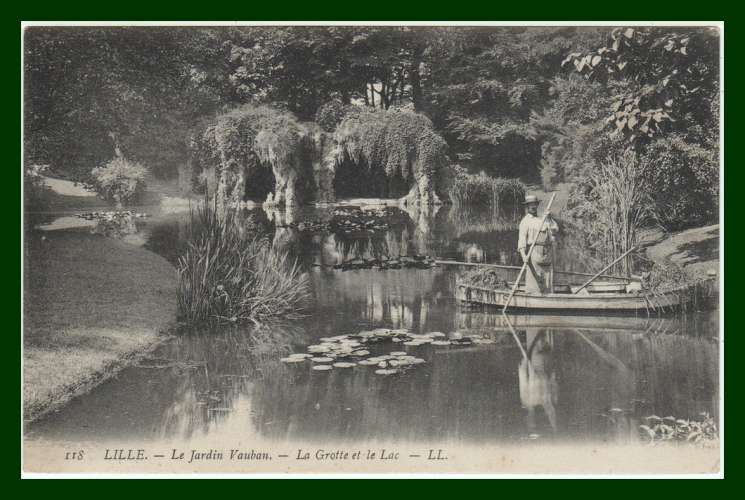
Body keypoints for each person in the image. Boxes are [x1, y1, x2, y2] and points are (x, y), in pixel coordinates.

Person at [517, 195, 559, 294]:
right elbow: (521, 240)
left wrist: (549, 218)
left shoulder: (542, 218)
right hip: (534, 252)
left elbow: (555, 230)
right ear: (527, 207)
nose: (533, 206)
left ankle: (548, 297)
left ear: (537, 205)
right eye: (530, 205)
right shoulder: (525, 221)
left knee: (547, 278)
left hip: (546, 253)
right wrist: (524, 256)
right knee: (535, 279)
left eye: (535, 204)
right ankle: (533, 296)